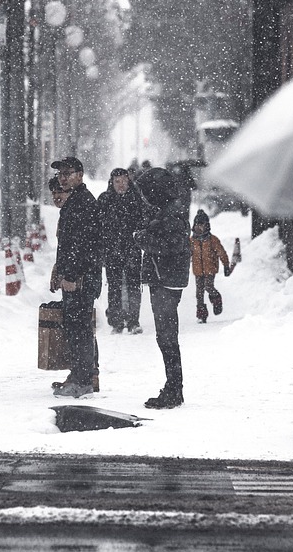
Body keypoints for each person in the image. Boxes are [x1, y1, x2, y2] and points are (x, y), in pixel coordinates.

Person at [133, 167, 191, 409]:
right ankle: (172, 386)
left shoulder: (172, 214)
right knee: (165, 337)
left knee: (167, 337)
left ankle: (174, 389)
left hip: (167, 281)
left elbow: (171, 246)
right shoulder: (167, 210)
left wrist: (142, 238)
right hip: (164, 279)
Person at [49, 156, 102, 399]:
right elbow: (69, 245)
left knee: (79, 328)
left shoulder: (83, 203)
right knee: (75, 327)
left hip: (80, 280)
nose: (63, 177)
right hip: (76, 277)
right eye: (61, 174)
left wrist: (71, 275)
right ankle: (79, 375)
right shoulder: (75, 202)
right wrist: (59, 270)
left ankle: (83, 380)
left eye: (68, 173)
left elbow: (83, 246)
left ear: (80, 175)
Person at [98, 167, 148, 334]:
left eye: (124, 181)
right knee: (114, 286)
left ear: (129, 181)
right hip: (111, 250)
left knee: (134, 286)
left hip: (132, 249)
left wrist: (139, 237)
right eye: (117, 182)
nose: (121, 185)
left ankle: (133, 320)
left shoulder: (136, 199)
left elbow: (144, 221)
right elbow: (97, 225)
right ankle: (116, 321)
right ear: (111, 183)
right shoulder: (104, 200)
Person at [189, 209, 232, 323]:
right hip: (198, 270)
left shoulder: (212, 240)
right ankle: (201, 315)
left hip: (210, 269)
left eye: (202, 225)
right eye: (198, 225)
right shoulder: (192, 241)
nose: (200, 227)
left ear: (207, 226)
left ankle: (216, 298)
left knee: (208, 286)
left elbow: (221, 253)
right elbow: (187, 254)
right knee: (199, 293)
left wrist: (226, 265)